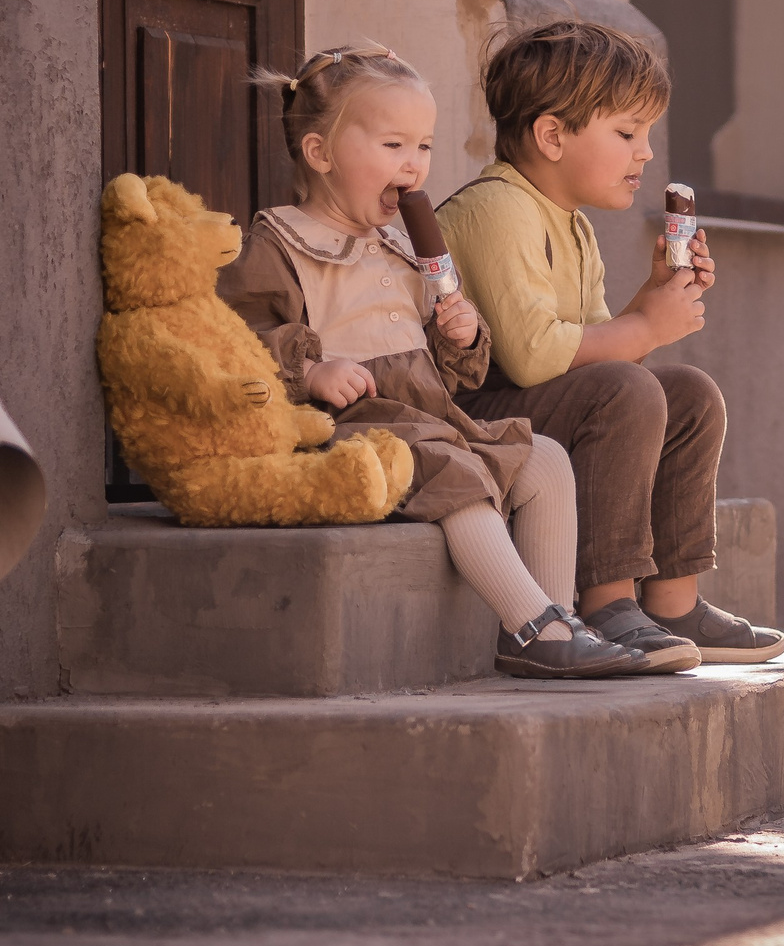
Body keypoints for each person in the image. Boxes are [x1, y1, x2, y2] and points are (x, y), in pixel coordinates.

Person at [219, 43, 674, 681]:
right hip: (348, 424)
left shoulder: (405, 246)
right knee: (456, 474)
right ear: (320, 153)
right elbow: (240, 336)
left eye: (425, 147)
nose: (414, 165)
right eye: (393, 146)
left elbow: (448, 372)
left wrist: (459, 338)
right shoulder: (282, 241)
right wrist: (313, 370)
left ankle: (556, 617)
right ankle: (531, 624)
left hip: (431, 415)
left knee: (543, 459)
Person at [438, 19, 784, 665]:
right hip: (470, 416)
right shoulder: (496, 209)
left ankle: (672, 602)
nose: (646, 153)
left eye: (647, 135)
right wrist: (646, 326)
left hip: (532, 405)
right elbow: (533, 356)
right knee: (629, 387)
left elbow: (603, 353)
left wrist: (649, 303)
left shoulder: (572, 227)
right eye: (627, 133)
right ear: (551, 136)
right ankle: (607, 602)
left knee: (686, 392)